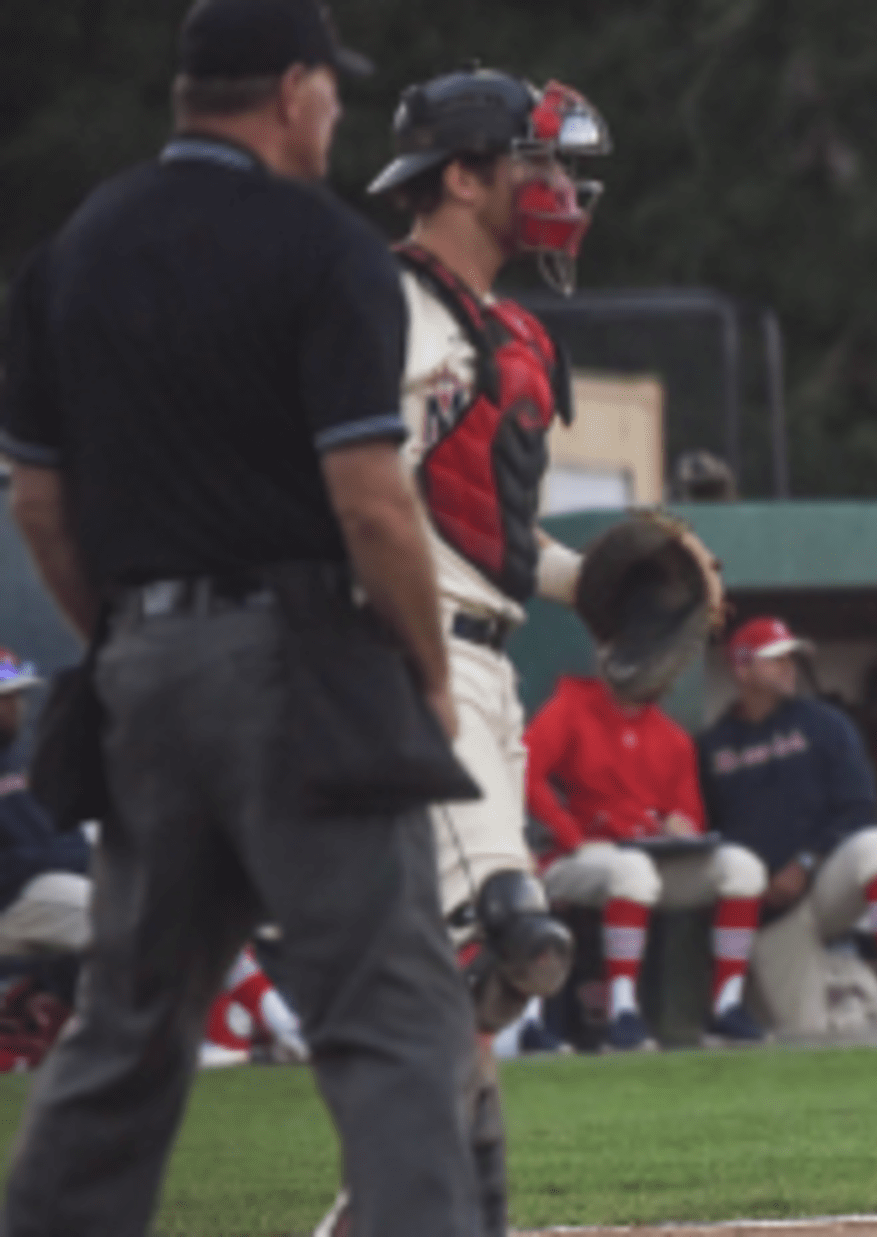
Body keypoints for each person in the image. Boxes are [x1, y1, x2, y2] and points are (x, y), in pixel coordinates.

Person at [0, 2, 482, 1231]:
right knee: (393, 1021)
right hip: (301, 668)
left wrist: (130, 639)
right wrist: (429, 672)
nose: (334, 111)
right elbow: (370, 502)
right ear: (291, 90)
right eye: (331, 89)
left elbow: (39, 501)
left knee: (127, 1031)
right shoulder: (323, 247)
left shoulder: (73, 253)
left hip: (140, 667)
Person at [320, 61, 617, 1237]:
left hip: (488, 666)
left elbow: (485, 527)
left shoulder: (510, 330)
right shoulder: (392, 305)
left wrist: (594, 583)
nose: (557, 186)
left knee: (483, 989)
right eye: (535, 161)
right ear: (461, 175)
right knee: (511, 940)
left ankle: (389, 1213)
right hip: (411, 661)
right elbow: (355, 490)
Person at [696, 617, 877, 1033]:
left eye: (790, 658)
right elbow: (710, 838)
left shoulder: (825, 724)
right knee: (807, 1033)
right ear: (742, 668)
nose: (788, 666)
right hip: (770, 914)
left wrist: (806, 862)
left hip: (823, 883)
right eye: (775, 659)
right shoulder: (713, 746)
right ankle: (845, 978)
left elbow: (861, 808)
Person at [526, 668, 767, 1049]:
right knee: (633, 870)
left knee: (742, 867)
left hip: (651, 859)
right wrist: (569, 833)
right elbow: (525, 770)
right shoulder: (572, 705)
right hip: (577, 856)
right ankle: (622, 1011)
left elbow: (690, 817)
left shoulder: (672, 737)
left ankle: (726, 1005)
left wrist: (680, 827)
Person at [0, 650, 89, 963]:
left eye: (18, 695)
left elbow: (67, 833)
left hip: (41, 887)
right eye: (5, 697)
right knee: (118, 922)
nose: (16, 706)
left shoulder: (19, 761)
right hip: (12, 899)